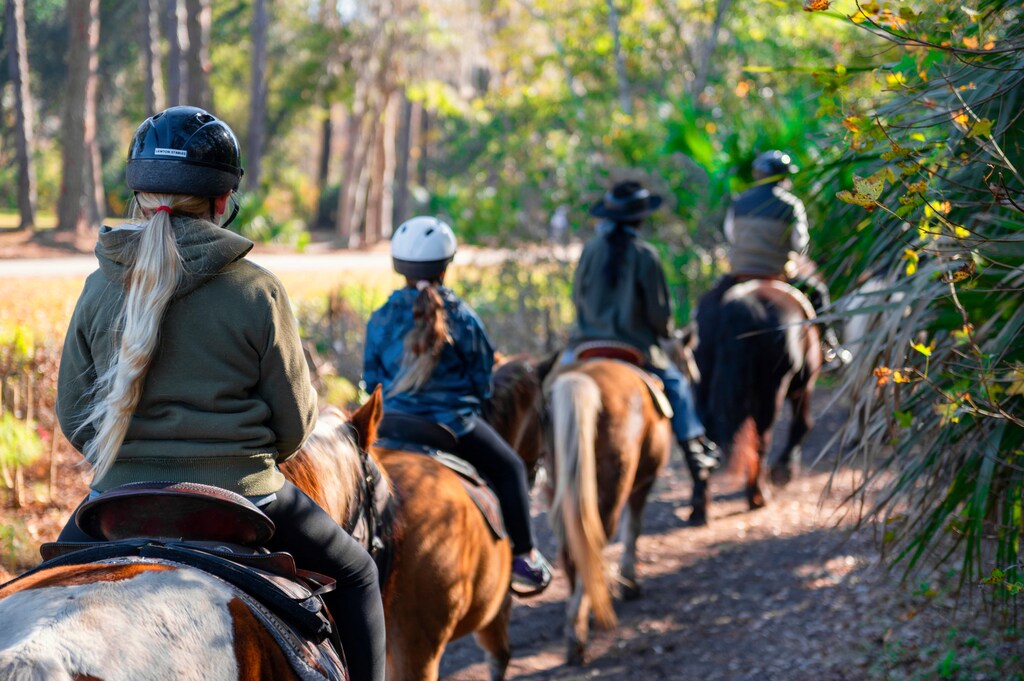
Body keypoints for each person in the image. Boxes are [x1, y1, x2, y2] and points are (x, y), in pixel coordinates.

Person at [54, 105, 385, 681]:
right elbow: (294, 425)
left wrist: (128, 457)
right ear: (224, 200)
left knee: (43, 582)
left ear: (138, 194)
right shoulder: (258, 290)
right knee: (358, 575)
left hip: (118, 499)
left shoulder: (98, 286)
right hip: (244, 497)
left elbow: (74, 417)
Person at [362, 216, 553, 597]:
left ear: (398, 266)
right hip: (451, 427)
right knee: (511, 467)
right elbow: (483, 381)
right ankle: (524, 556)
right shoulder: (463, 317)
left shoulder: (381, 316)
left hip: (392, 426)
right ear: (446, 265)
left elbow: (371, 379)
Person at [567, 180, 721, 475]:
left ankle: (538, 456)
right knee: (676, 385)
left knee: (549, 387)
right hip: (634, 349)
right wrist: (667, 333)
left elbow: (577, 297)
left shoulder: (590, 250)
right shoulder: (645, 255)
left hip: (585, 346)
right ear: (640, 218)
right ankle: (693, 448)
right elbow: (659, 315)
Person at [720, 149, 850, 366]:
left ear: (757, 175)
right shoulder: (791, 205)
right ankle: (829, 348)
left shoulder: (739, 202)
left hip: (739, 275)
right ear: (784, 177)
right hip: (776, 275)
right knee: (818, 293)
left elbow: (730, 235)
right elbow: (800, 245)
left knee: (707, 303)